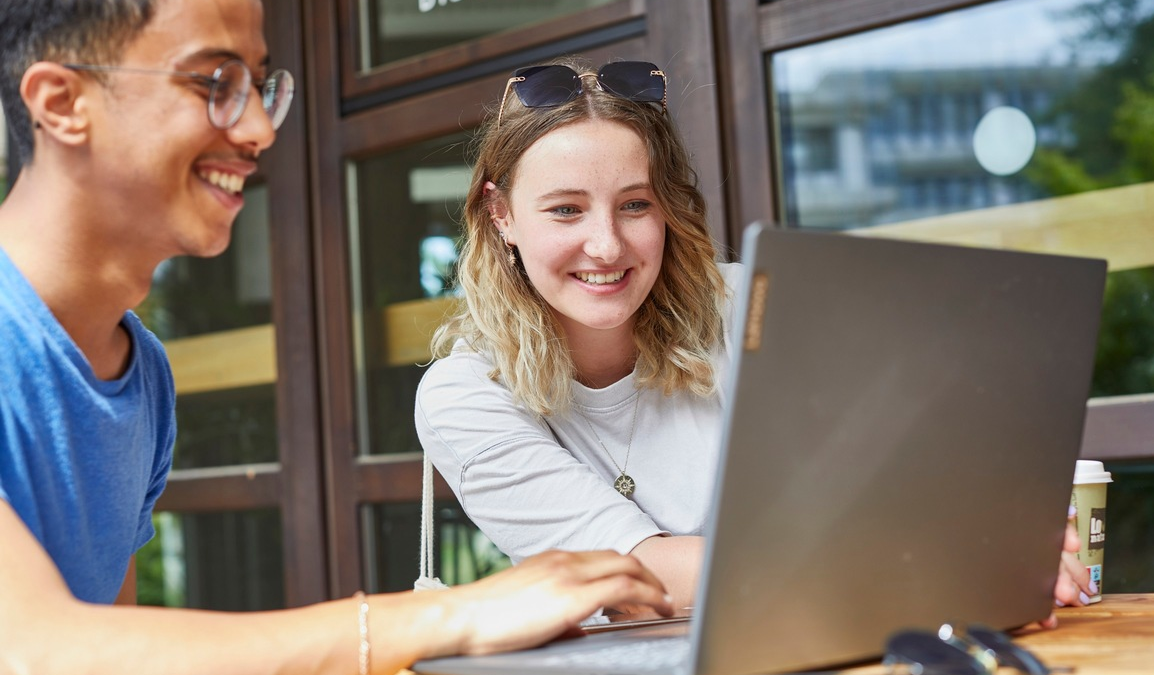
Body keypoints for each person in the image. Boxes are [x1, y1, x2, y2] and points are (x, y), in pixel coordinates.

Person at [0, 2, 672, 673]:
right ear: (62, 103)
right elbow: (35, 649)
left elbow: (105, 648)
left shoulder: (135, 365)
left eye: (258, 87)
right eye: (215, 83)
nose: (259, 128)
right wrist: (452, 615)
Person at [414, 56, 1097, 623]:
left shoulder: (752, 306)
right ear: (500, 213)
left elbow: (904, 455)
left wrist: (1003, 531)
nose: (607, 244)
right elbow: (634, 577)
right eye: (566, 209)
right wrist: (938, 560)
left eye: (635, 204)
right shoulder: (464, 396)